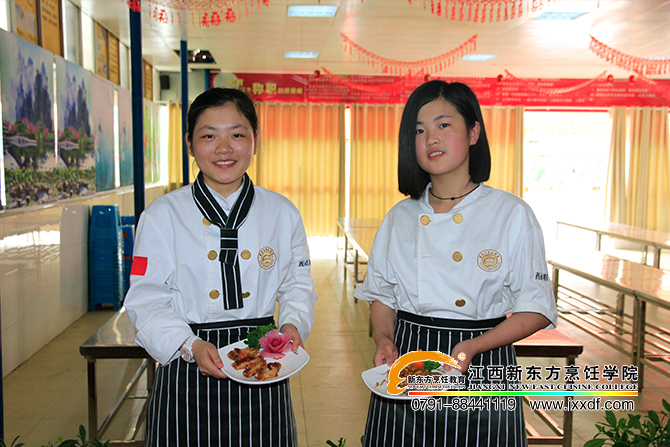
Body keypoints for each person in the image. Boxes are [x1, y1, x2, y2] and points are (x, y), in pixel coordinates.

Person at [354, 80, 558, 447]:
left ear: (474, 132)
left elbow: (537, 308)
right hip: (408, 359)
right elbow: (383, 295)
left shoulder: (511, 213)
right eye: (419, 130)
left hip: (483, 358)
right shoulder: (399, 217)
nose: (430, 138)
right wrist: (384, 338)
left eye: (443, 124)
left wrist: (473, 347)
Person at [124, 87, 318, 447]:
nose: (224, 148)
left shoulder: (282, 212)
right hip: (186, 364)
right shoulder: (162, 216)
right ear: (189, 143)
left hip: (264, 362)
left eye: (237, 135)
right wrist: (190, 345)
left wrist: (292, 324)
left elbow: (297, 284)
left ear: (256, 140)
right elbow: (146, 301)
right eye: (209, 136)